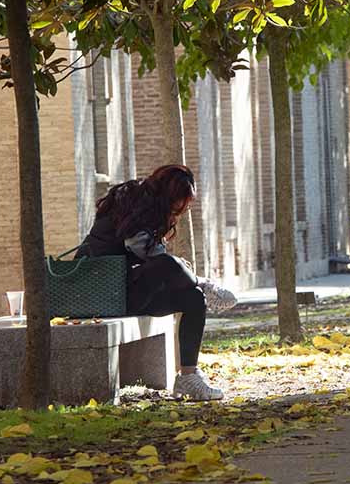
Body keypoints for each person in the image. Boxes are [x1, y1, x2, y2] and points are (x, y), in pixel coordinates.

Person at [78, 165, 235, 401]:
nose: (185, 208)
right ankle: (205, 285)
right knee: (169, 265)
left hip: (126, 288)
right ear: (170, 195)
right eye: (182, 201)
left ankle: (188, 378)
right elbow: (141, 249)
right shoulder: (131, 201)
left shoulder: (149, 207)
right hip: (103, 292)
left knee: (193, 298)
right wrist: (179, 269)